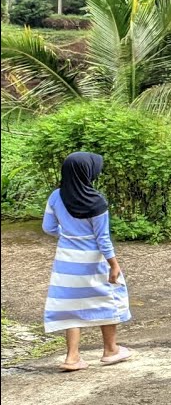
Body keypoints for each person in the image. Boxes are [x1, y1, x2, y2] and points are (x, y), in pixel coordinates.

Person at [42, 152, 133, 371]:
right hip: (94, 260)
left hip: (66, 260)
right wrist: (114, 264)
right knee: (108, 298)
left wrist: (68, 235)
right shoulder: (96, 201)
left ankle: (72, 357)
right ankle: (111, 350)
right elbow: (103, 239)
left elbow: (48, 227)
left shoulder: (56, 196)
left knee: (71, 305)